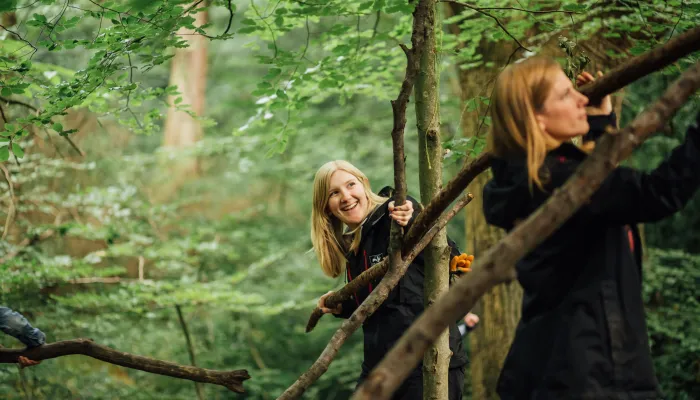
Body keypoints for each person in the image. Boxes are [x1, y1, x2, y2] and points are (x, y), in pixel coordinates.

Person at [482, 55, 700, 399]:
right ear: (536, 117)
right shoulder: (561, 181)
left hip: (558, 365)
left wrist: (598, 127)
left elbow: (599, 199)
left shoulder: (533, 179)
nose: (582, 98)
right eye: (566, 95)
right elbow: (658, 193)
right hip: (593, 370)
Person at [311, 160, 474, 400]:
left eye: (350, 185)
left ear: (364, 185)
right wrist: (341, 305)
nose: (345, 196)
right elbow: (377, 297)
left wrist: (410, 216)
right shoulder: (355, 243)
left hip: (427, 362)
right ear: (326, 206)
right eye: (334, 193)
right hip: (380, 367)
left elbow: (443, 252)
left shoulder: (394, 214)